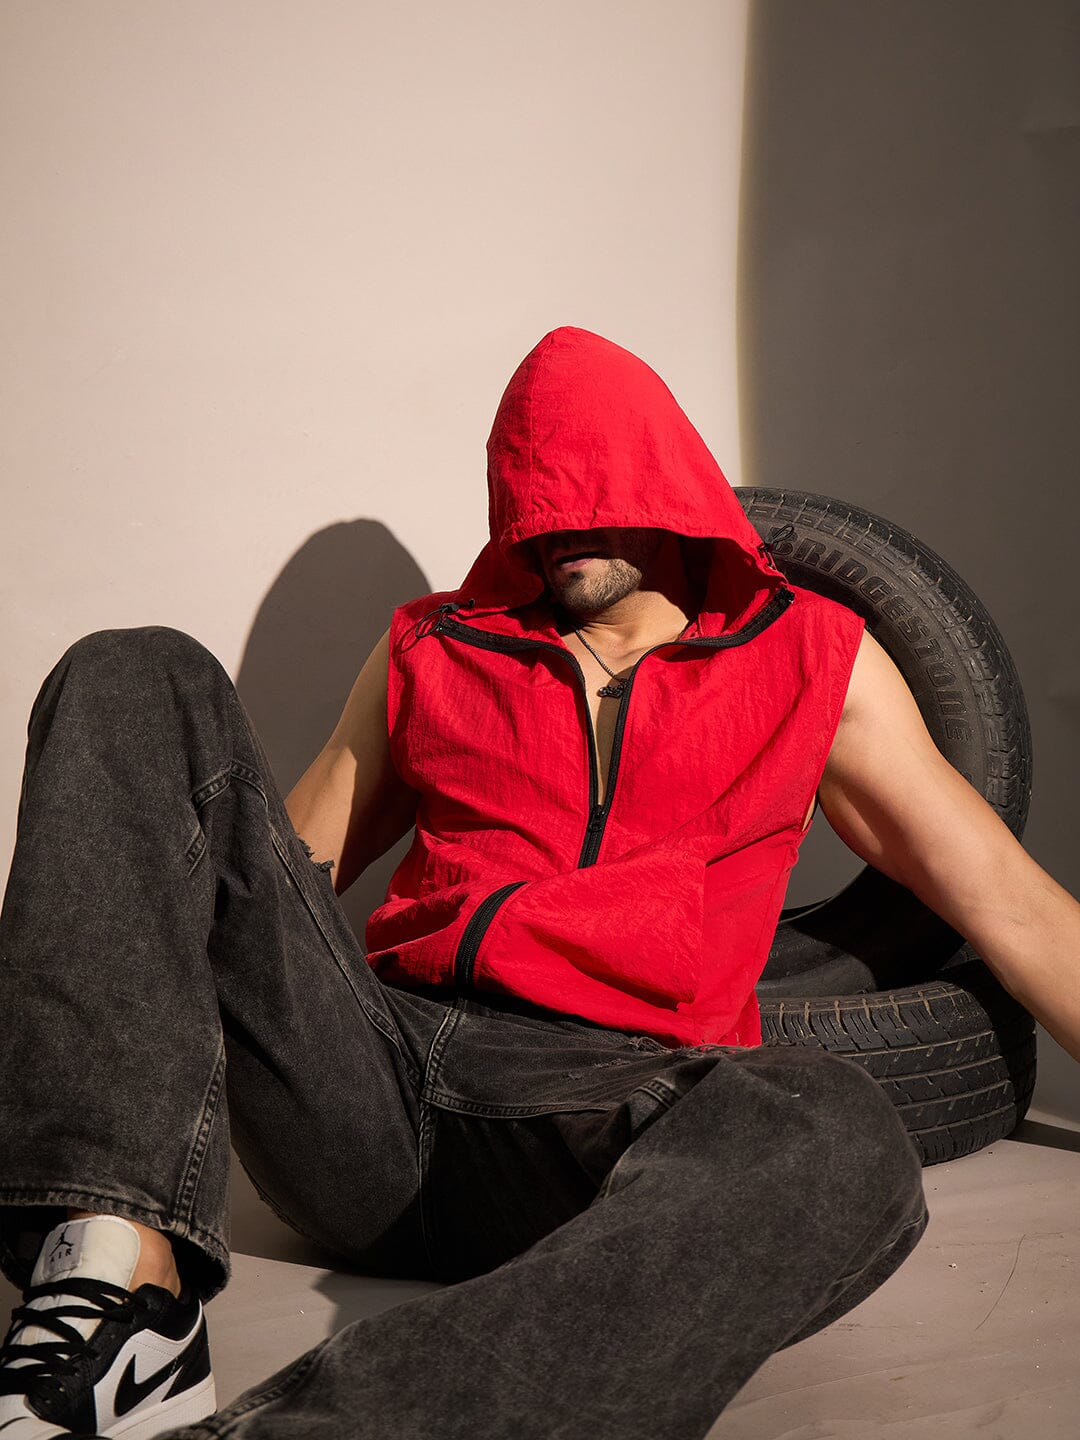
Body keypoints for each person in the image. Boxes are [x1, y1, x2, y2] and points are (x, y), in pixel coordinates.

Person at [0, 327, 1076, 1440]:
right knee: (136, 669)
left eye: (592, 493)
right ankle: (123, 1292)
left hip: (604, 1123)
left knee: (832, 1127)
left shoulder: (811, 657)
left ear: (670, 483)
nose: (558, 526)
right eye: (533, 501)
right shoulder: (433, 645)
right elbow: (272, 884)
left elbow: (1011, 904)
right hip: (375, 1090)